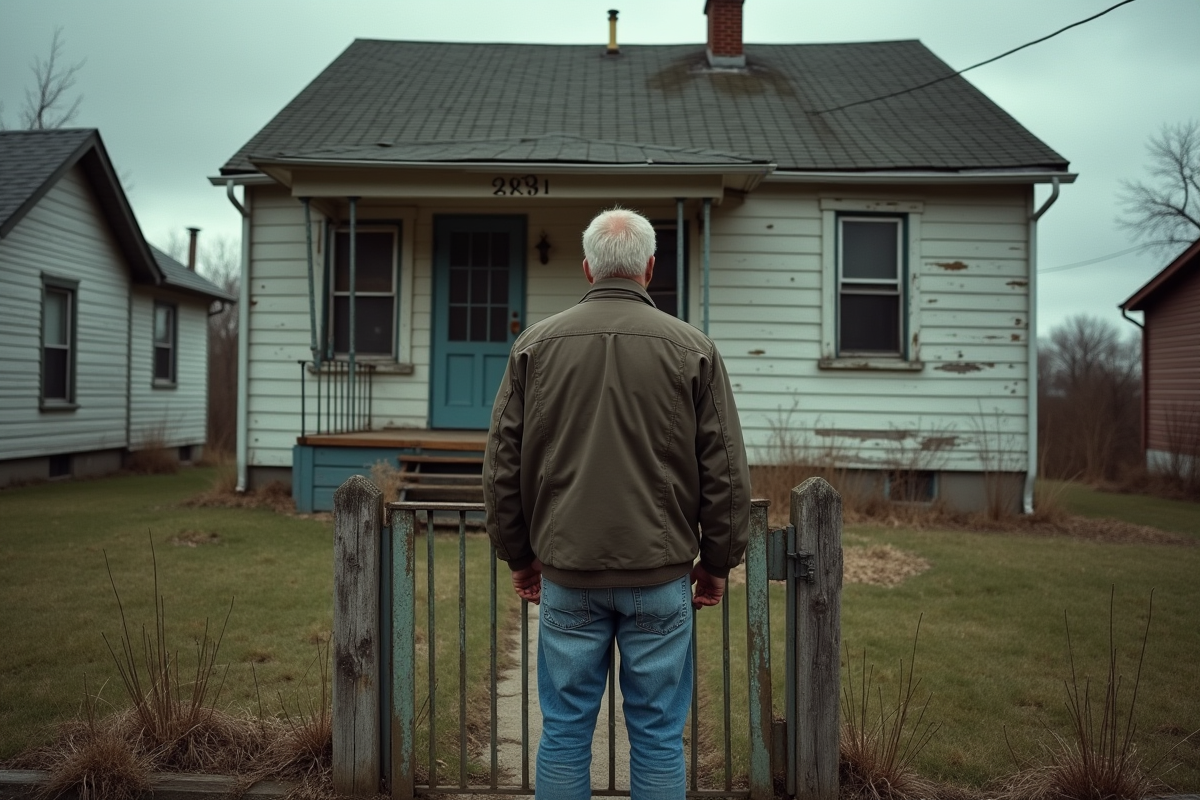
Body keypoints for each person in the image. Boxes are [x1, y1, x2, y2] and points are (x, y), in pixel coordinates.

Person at [483, 207, 751, 799]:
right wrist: (717, 563)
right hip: (660, 577)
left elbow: (502, 464)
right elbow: (726, 470)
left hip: (568, 573)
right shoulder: (695, 350)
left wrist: (519, 556)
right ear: (650, 269)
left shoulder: (535, 346)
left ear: (587, 269)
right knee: (657, 734)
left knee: (565, 729)